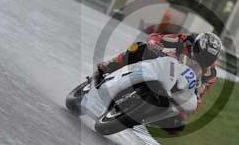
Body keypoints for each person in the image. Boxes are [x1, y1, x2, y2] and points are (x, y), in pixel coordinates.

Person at [93, 32, 223, 134]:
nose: (204, 59)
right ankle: (107, 66)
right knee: (138, 47)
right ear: (197, 45)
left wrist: (191, 105)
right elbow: (157, 37)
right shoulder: (184, 40)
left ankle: (145, 119)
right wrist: (154, 43)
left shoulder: (210, 73)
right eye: (203, 54)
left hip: (178, 86)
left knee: (179, 124)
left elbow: (201, 94)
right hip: (161, 62)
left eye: (208, 58)